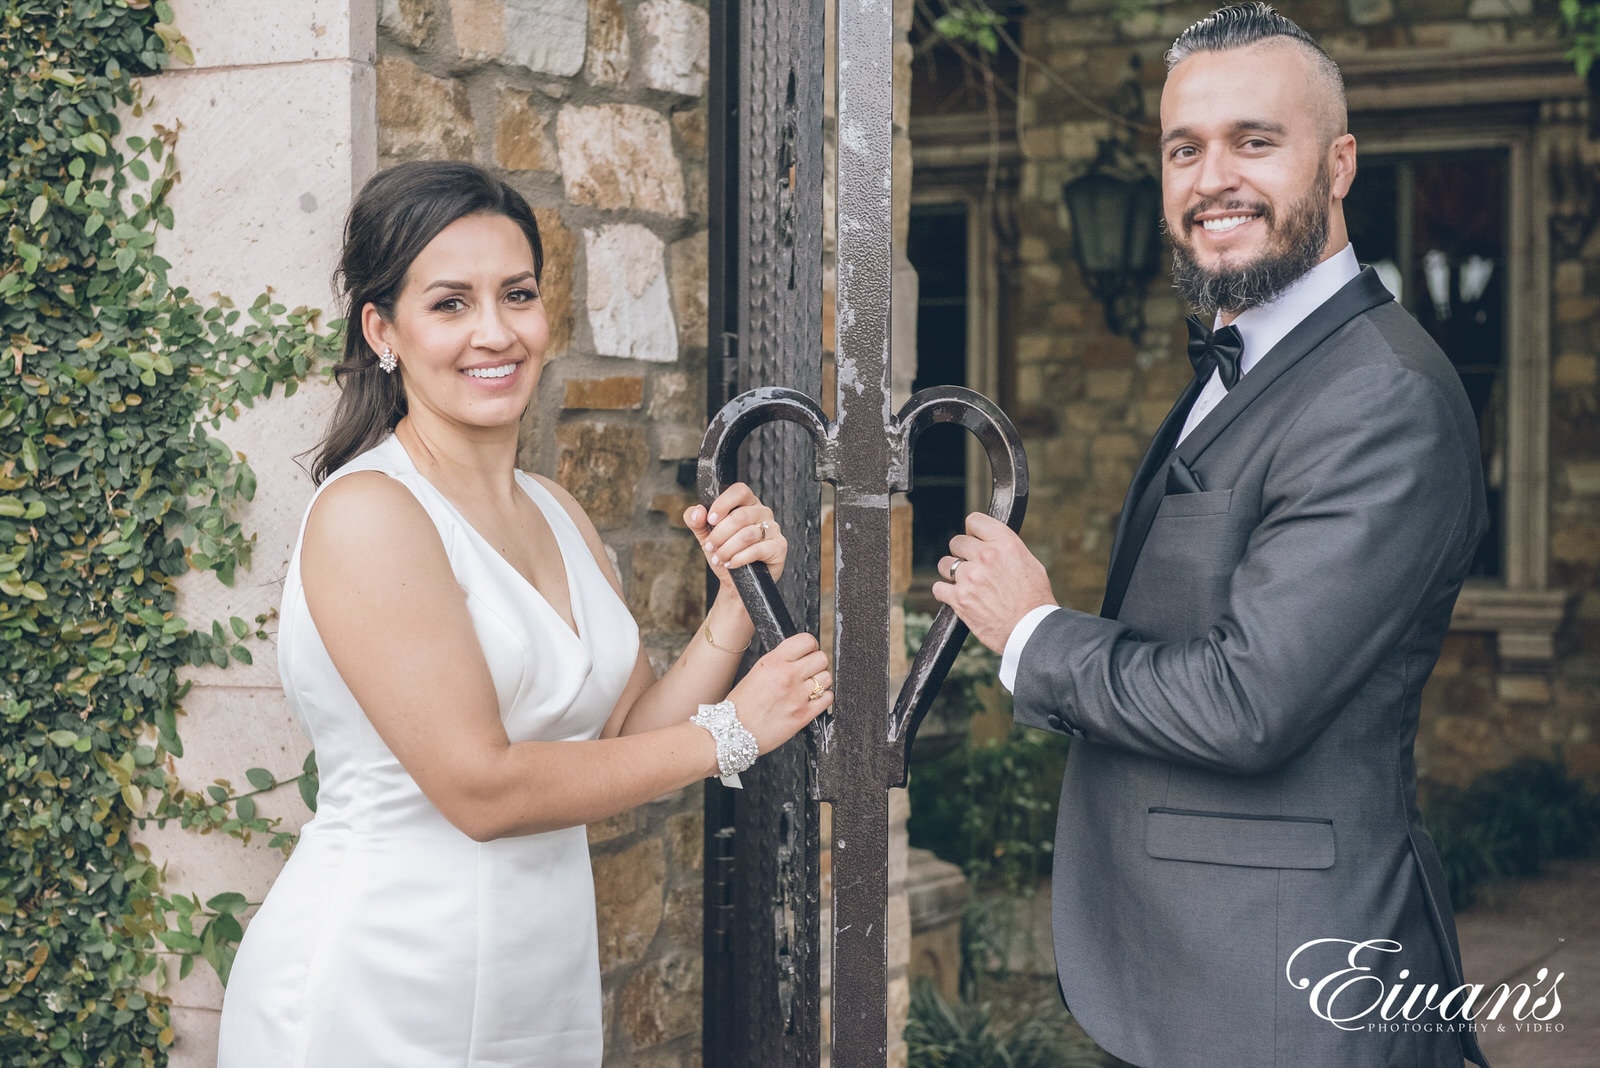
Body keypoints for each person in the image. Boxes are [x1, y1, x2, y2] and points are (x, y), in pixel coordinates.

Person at [932, 6, 1489, 1067]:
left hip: (1287, 990)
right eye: (1183, 147)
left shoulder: (1379, 395)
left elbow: (1249, 703)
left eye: (1253, 141)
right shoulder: (1260, 359)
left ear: (1338, 166)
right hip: (1200, 975)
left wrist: (1033, 634)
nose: (1209, 177)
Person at [216, 160, 832, 1065]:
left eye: (517, 294)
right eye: (451, 304)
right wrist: (731, 735)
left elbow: (624, 734)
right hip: (379, 986)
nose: (495, 332)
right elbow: (479, 787)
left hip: (532, 983)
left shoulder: (554, 507)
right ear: (383, 330)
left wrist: (736, 611)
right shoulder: (369, 516)